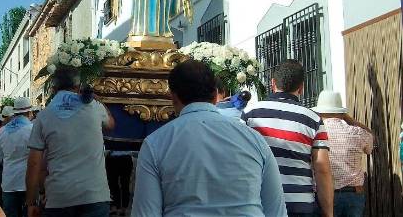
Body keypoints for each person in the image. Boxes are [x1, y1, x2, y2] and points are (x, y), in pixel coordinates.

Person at [131, 60, 287, 217]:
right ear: (215, 95)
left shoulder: (156, 143)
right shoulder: (255, 139)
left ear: (173, 97)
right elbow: (276, 210)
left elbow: (145, 213)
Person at [243, 60, 334, 217]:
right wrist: (328, 213)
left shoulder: (250, 113)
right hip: (300, 205)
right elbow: (322, 169)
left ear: (273, 83)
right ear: (301, 88)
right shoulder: (313, 119)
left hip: (259, 203)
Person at [26, 68, 115, 217]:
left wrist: (31, 202)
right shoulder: (94, 107)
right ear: (78, 86)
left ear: (53, 89)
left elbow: (34, 163)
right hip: (94, 195)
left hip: (59, 198)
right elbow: (111, 124)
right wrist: (99, 101)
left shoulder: (43, 116)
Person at [313, 90, 373, 217]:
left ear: (319, 112)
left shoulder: (315, 133)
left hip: (324, 194)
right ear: (342, 112)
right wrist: (350, 120)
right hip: (354, 196)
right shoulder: (357, 132)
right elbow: (370, 141)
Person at [0, 97, 33, 217]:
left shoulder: (2, 131)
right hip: (28, 184)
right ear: (29, 112)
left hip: (8, 184)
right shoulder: (32, 129)